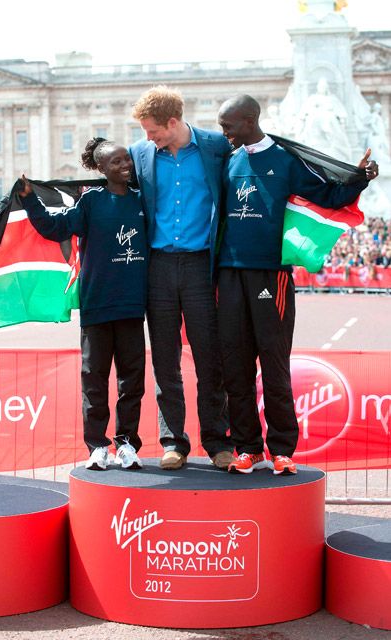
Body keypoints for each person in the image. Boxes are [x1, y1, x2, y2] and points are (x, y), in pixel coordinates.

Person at [216, 94, 379, 475]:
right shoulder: (228, 161)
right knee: (235, 367)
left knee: (273, 364)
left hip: (270, 274)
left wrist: (359, 180)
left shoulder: (285, 160)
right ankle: (248, 447)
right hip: (228, 273)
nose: (224, 133)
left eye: (229, 126)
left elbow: (328, 194)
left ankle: (282, 449)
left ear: (250, 119)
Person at [18, 139, 147, 471]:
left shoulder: (143, 200)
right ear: (102, 169)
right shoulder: (91, 201)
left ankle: (128, 444)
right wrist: (29, 198)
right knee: (94, 380)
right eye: (116, 162)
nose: (125, 166)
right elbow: (54, 227)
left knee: (132, 380)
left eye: (127, 160)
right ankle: (98, 446)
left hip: (133, 305)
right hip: (97, 305)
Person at [130, 85, 233, 470]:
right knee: (165, 360)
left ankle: (218, 441)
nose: (147, 138)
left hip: (200, 266)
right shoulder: (141, 154)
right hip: (156, 266)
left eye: (152, 130)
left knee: (210, 356)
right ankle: (174, 441)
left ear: (172, 122)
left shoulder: (215, 147)